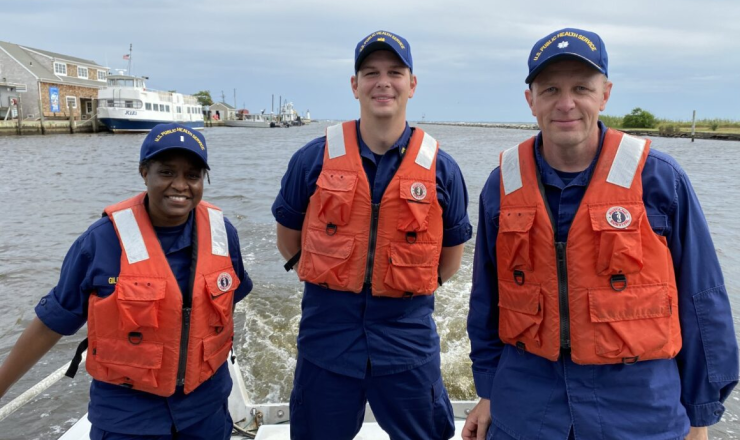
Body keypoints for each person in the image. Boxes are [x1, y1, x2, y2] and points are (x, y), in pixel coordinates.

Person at [463, 28, 739, 440]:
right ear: (530, 101)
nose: (566, 103)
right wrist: (487, 392)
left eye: (581, 88)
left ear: (605, 94)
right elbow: (486, 300)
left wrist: (698, 417)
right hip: (525, 412)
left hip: (640, 414)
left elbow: (702, 302)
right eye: (551, 89)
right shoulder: (501, 186)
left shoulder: (661, 180)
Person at [272, 30, 472, 439]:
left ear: (412, 84)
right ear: (354, 85)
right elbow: (288, 240)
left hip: (408, 346)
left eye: (395, 72)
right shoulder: (312, 159)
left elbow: (450, 259)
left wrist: (410, 285)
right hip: (326, 342)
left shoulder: (442, 169)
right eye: (370, 72)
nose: (383, 82)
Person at [0, 123, 252, 439]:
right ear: (143, 172)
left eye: (192, 175)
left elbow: (230, 299)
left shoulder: (222, 233)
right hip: (129, 419)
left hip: (206, 411)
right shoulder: (100, 241)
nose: (180, 185)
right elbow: (51, 323)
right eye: (166, 172)